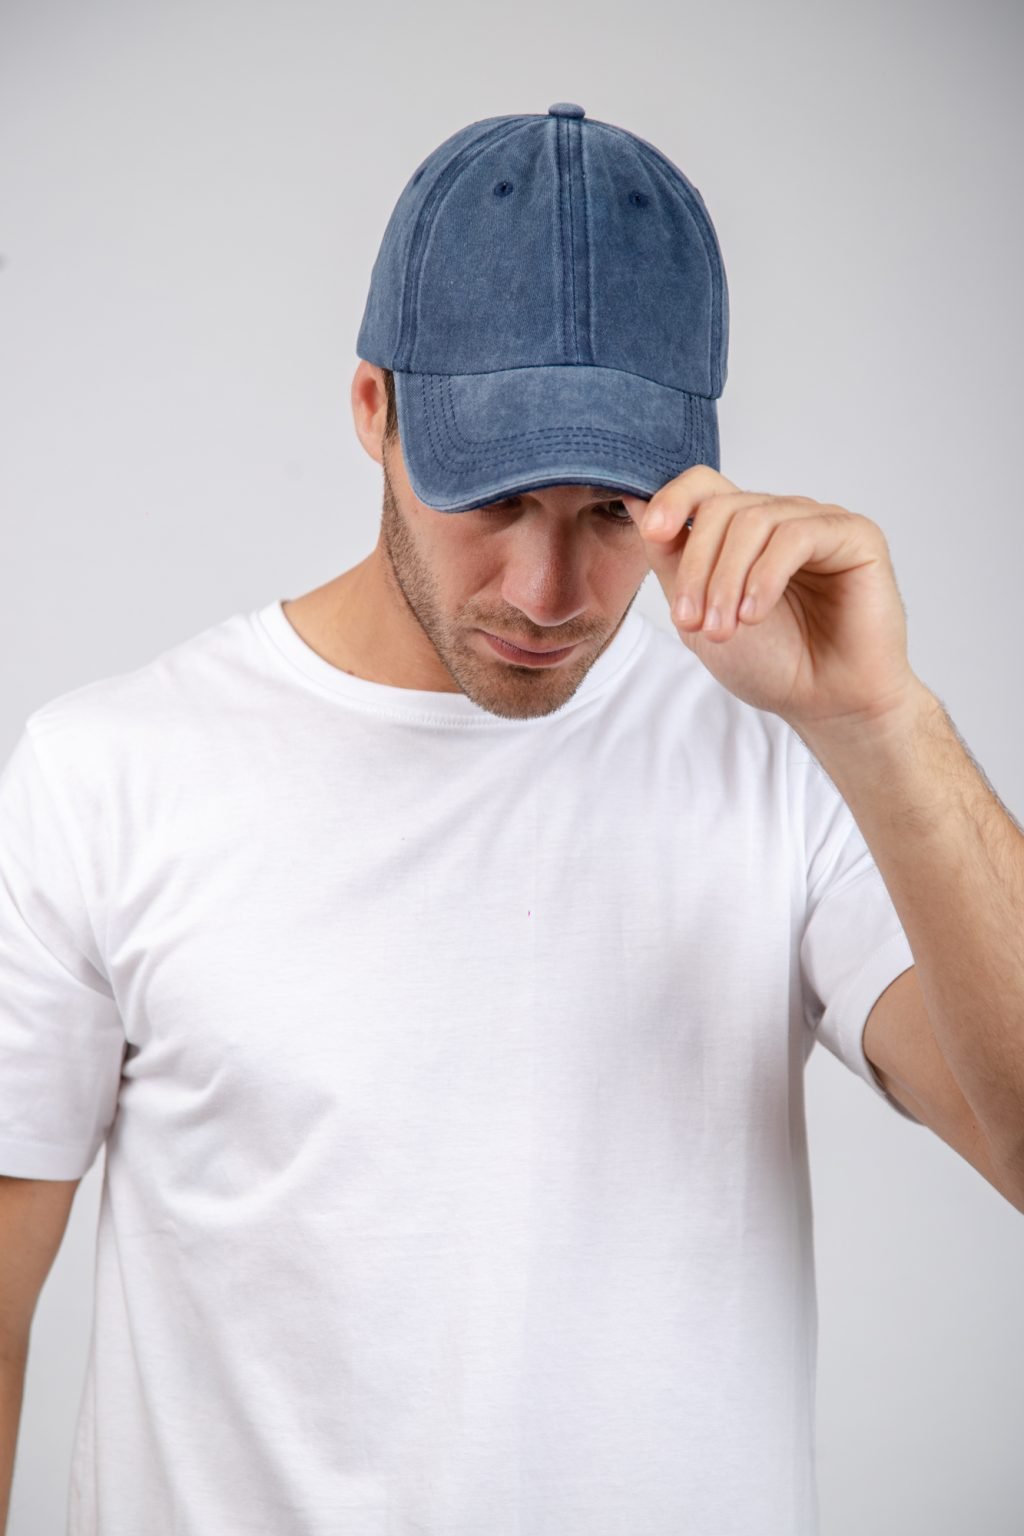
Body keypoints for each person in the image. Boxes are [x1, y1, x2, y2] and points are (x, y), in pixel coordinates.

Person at [0, 104, 926, 1536]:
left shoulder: (792, 758)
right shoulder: (108, 776)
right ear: (374, 410)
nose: (549, 593)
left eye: (614, 512)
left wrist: (885, 723)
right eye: (494, 495)